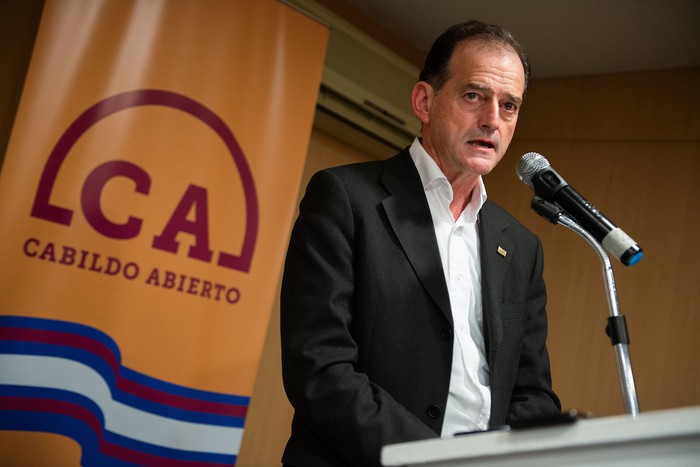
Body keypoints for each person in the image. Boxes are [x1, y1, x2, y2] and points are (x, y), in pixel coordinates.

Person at [280, 19, 561, 467]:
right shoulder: (347, 199)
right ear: (425, 101)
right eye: (474, 95)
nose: (492, 119)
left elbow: (533, 393)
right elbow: (320, 368)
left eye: (509, 106)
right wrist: (436, 459)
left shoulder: (521, 247)